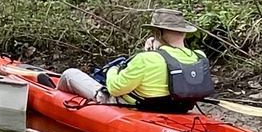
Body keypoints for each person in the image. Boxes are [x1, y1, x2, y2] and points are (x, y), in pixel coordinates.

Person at [57, 8, 214, 113]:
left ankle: (55, 97)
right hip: (178, 108)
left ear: (158, 32)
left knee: (70, 74)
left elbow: (115, 89)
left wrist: (114, 70)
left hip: (134, 105)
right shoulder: (200, 56)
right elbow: (170, 56)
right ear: (184, 33)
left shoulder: (146, 59)